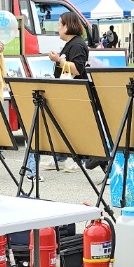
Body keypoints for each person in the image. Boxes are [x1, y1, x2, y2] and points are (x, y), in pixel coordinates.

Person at [40, 11, 89, 172]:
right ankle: (60, 158)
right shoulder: (71, 44)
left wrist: (58, 60)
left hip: (76, 92)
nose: (58, 28)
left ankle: (81, 160)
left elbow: (78, 69)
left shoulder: (77, 45)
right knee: (63, 125)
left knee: (76, 127)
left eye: (59, 24)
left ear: (67, 26)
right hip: (68, 92)